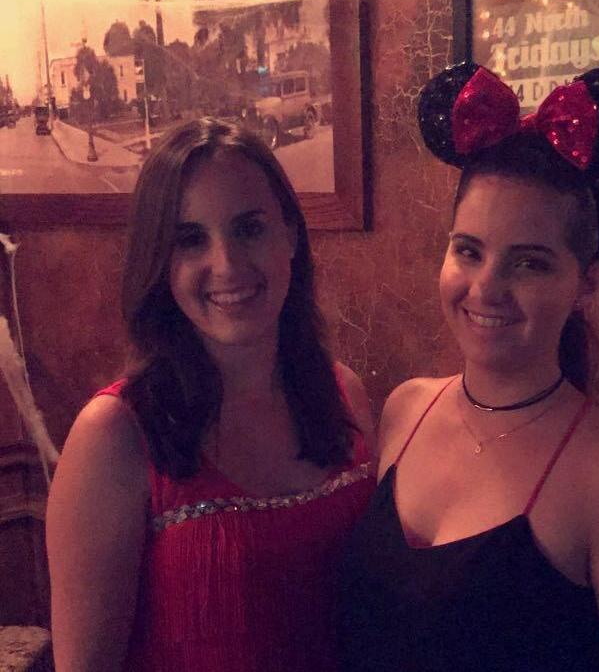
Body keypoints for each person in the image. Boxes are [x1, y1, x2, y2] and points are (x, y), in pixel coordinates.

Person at [337, 64, 599, 672]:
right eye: (468, 250)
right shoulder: (404, 409)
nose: (486, 288)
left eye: (529, 263)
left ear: (588, 282)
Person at [47, 118, 376, 672]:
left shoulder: (345, 394)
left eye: (249, 229)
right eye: (190, 239)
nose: (226, 265)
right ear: (159, 262)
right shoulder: (112, 436)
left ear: (291, 235)